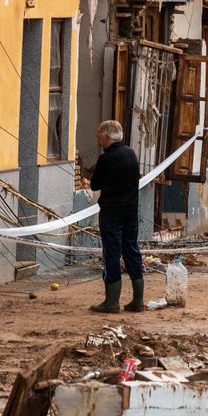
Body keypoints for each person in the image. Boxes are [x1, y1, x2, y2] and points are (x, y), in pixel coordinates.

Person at [86, 120, 146, 314]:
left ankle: (111, 302)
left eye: (99, 135)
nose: (97, 138)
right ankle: (138, 300)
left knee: (112, 253)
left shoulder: (106, 158)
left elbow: (95, 185)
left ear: (108, 137)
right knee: (131, 250)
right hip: (130, 211)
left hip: (112, 212)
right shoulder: (131, 153)